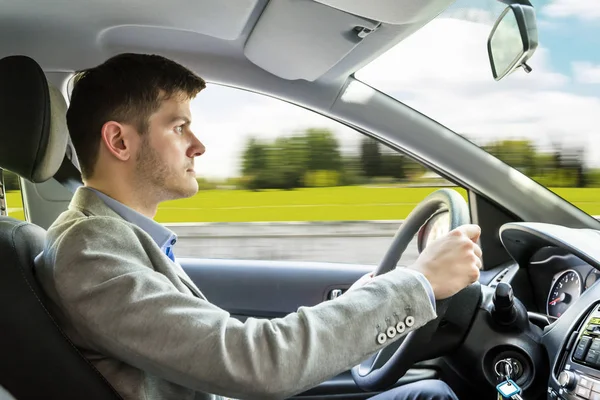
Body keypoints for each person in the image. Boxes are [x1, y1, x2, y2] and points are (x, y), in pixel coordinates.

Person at [34, 53, 481, 400]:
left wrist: (367, 301)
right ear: (119, 141)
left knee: (430, 392)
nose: (199, 145)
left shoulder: (113, 237)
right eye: (179, 127)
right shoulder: (89, 249)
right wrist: (418, 283)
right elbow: (257, 362)